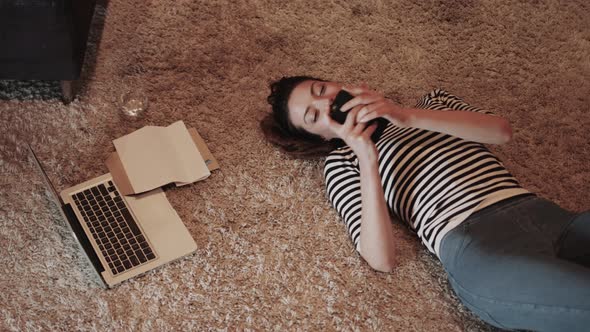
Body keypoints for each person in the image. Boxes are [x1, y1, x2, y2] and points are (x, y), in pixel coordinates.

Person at [260, 75, 590, 332]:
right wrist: (366, 157)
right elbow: (381, 258)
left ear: (340, 84)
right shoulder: (343, 162)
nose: (329, 102)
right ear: (322, 137)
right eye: (314, 115)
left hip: (545, 215)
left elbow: (501, 131)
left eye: (322, 89)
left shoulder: (433, 102)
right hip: (479, 247)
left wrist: (405, 115)